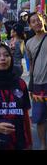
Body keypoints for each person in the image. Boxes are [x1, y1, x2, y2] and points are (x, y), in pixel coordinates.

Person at [26, 12, 47, 150]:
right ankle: (43, 145)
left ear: (43, 20)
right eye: (33, 21)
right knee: (39, 117)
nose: (37, 23)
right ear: (30, 25)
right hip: (39, 85)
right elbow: (31, 64)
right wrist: (31, 83)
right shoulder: (29, 43)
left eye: (38, 20)